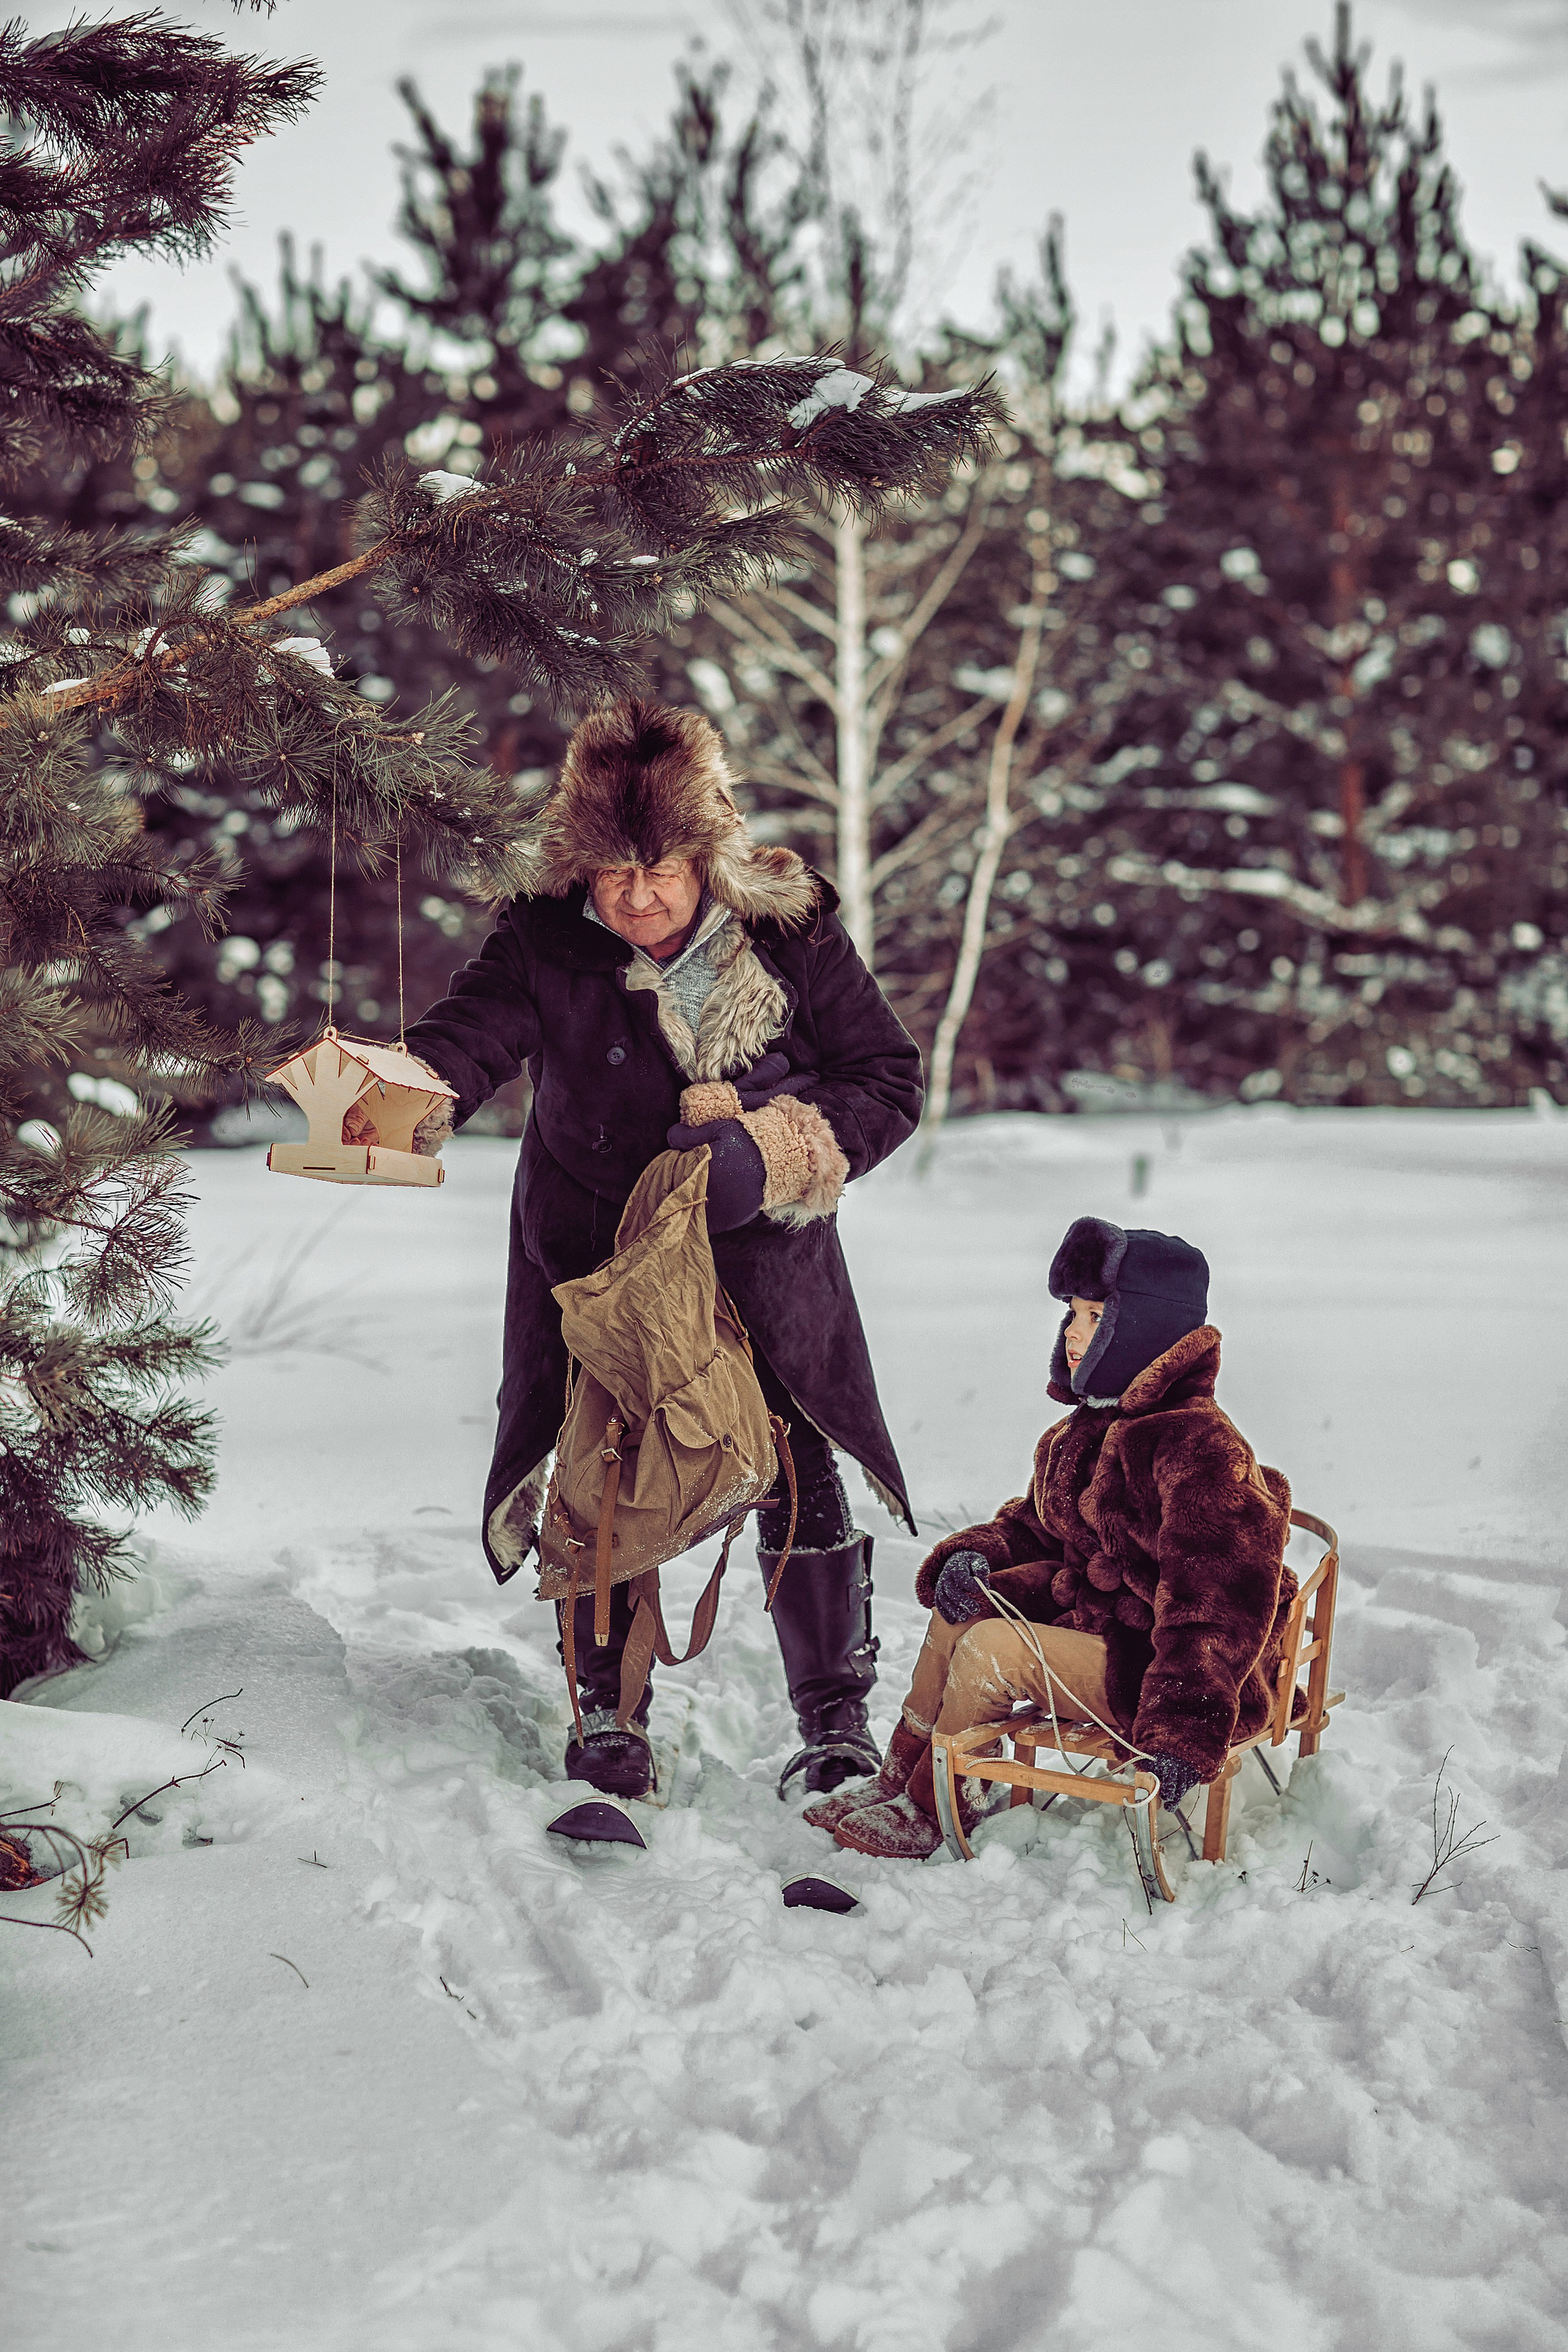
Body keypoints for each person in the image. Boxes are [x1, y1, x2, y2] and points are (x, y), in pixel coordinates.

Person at [401, 696, 922, 1802]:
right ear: (581, 867)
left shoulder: (791, 929)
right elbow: (477, 1027)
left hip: (761, 1255)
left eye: (664, 871)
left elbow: (887, 1079)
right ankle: (607, 1717)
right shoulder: (544, 933)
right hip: (603, 1256)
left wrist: (775, 1153)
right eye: (615, 874)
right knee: (601, 1469)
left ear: (709, 854)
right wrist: (416, 1086)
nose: (640, 897)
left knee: (795, 1464)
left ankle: (836, 1724)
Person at [806, 1216, 1296, 1860]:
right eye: (1071, 1315)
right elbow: (1035, 1526)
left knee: (992, 1648)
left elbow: (1219, 1609)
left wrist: (1181, 1731)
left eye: (1096, 1317)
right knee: (959, 1614)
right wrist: (979, 1553)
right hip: (1096, 1628)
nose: (1073, 1334)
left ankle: (937, 1804)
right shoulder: (1084, 1430)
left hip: (1161, 1676)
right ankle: (899, 1776)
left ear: (1145, 1327)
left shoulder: (1197, 1448)